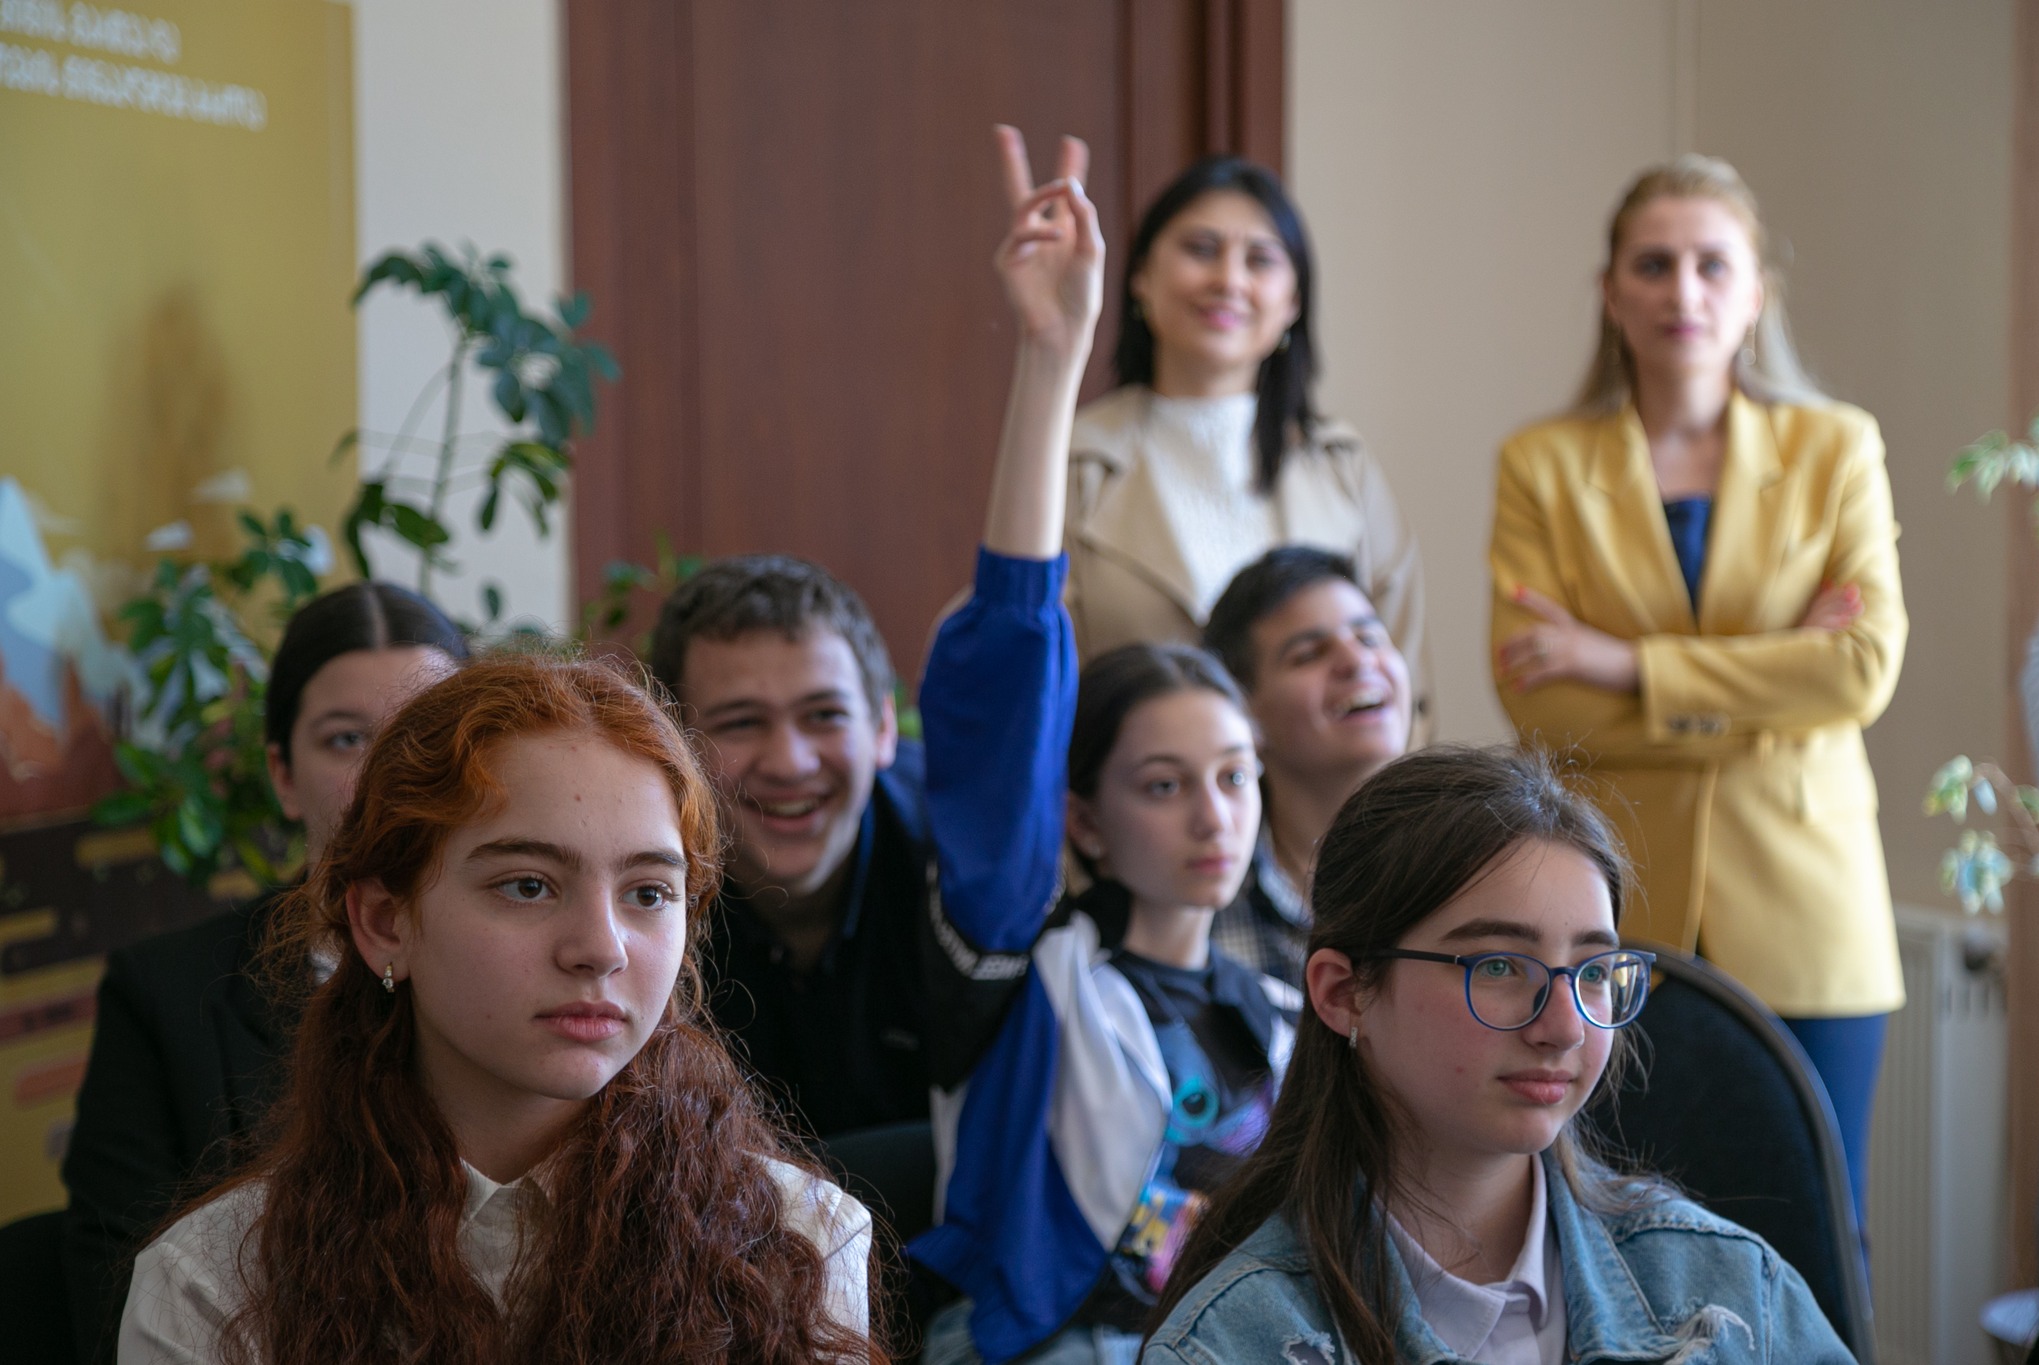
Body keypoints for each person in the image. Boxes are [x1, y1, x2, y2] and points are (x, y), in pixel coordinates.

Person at [117, 654, 876, 1364]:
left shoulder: (801, 1242)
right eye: (528, 885)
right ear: (385, 921)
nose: (601, 948)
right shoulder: (214, 1289)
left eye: (648, 893)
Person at [907, 126, 1294, 1365]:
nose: (1211, 816)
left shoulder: (1276, 1008)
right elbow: (1013, 672)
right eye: (1161, 785)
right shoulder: (1022, 972)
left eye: (1233, 778)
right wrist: (1051, 357)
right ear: (1081, 817)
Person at [1487, 155, 1906, 1224]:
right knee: (1615, 1232)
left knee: (1816, 1232)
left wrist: (1624, 664)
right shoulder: (1541, 462)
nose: (1683, 291)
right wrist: (1778, 683)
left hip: (1811, 916)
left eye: (1712, 265)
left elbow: (1859, 669)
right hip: (1613, 913)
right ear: (1610, 291)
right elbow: (1543, 708)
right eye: (1653, 264)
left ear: (1756, 291)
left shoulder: (1835, 447)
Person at [1143, 746, 1855, 1365]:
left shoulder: (1730, 1291)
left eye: (1593, 972)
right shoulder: (1232, 1340)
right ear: (1343, 993)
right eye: (1497, 967)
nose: (1564, 1027)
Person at [62, 581, 466, 1364]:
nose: (389, 774)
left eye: (426, 736)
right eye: (346, 739)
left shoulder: (541, 972)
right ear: (282, 773)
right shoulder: (164, 993)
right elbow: (115, 1299)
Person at [1063, 153, 1431, 740]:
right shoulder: (1072, 460)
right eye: (1201, 249)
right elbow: (1036, 680)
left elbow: (1406, 691)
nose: (1229, 281)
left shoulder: (1343, 465)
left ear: (1293, 303)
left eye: (1260, 259)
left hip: (1336, 799)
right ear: (1140, 276)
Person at [650, 557, 931, 1139]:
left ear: (883, 728)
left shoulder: (967, 872)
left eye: (824, 715)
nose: (790, 763)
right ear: (674, 746)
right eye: (741, 723)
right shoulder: (633, 895)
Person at [1200, 547, 1412, 981]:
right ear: (1243, 711)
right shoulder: (1205, 899)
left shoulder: (1472, 864)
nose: (1357, 661)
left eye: (1370, 638)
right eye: (1310, 654)